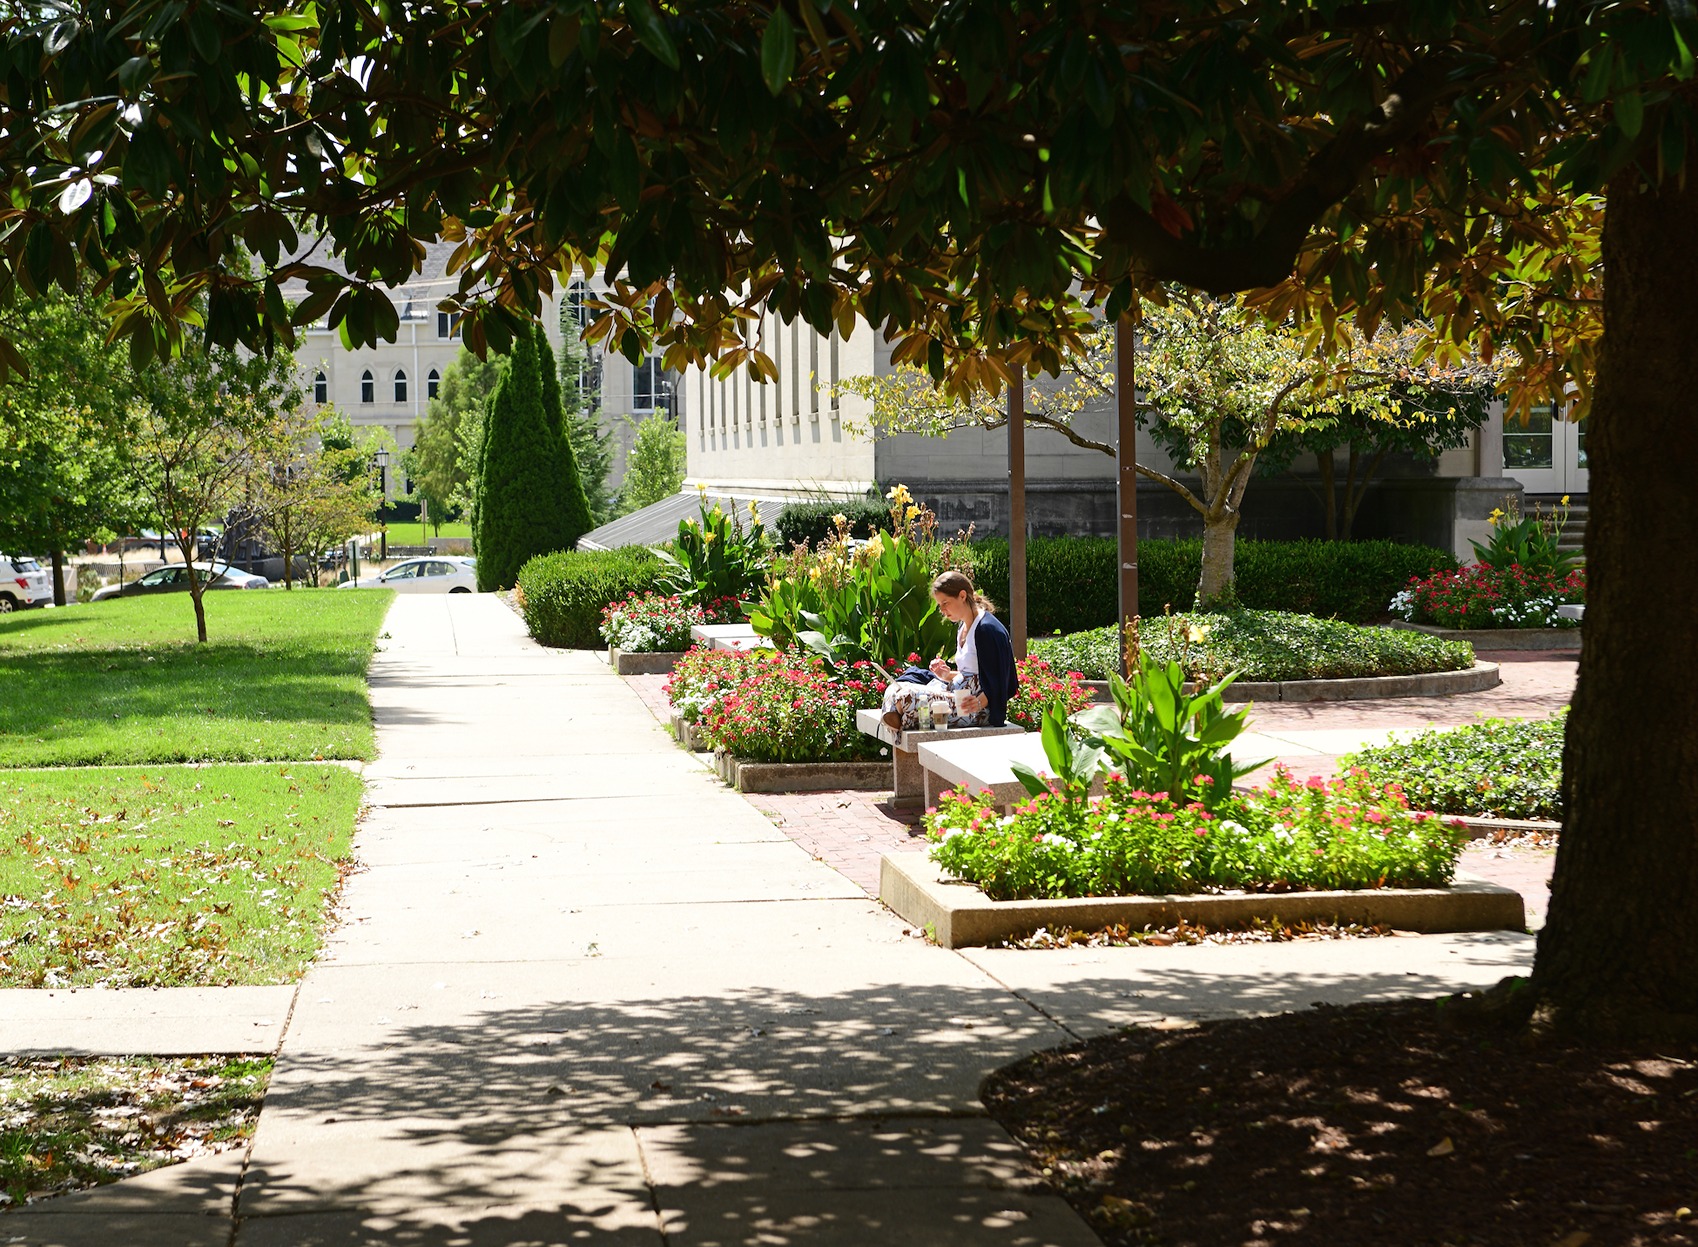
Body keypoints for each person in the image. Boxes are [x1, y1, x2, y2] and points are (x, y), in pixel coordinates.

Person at [881, 569, 1020, 730]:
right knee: (897, 686)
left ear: (962, 596)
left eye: (945, 603)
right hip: (954, 694)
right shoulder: (963, 626)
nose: (942, 610)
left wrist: (979, 702)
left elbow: (1000, 679)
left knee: (905, 697)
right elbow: (970, 671)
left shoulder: (987, 629)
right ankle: (899, 716)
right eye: (940, 605)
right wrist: (947, 675)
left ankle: (897, 716)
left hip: (973, 707)